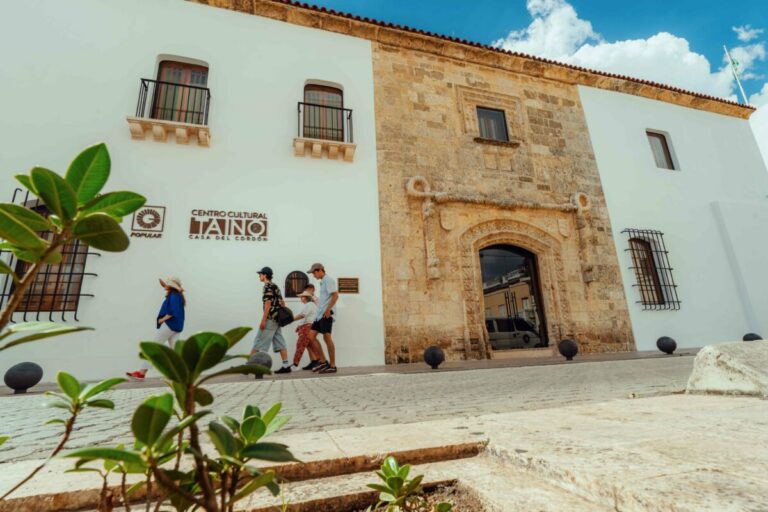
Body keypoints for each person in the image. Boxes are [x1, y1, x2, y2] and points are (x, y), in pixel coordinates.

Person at [127, 277, 186, 380]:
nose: (165, 285)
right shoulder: (177, 296)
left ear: (171, 286)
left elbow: (173, 311)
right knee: (175, 352)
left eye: (167, 284)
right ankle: (179, 375)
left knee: (153, 347)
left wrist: (162, 319)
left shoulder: (174, 296)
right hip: (177, 326)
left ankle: (141, 372)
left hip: (169, 325)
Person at [250, 266, 292, 374]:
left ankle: (248, 366)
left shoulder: (267, 287)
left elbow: (267, 305)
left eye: (260, 274)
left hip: (270, 319)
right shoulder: (275, 286)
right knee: (280, 342)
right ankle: (286, 365)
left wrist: (263, 320)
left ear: (265, 275)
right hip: (277, 319)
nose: (259, 276)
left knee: (259, 341)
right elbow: (282, 303)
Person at [306, 262, 339, 374]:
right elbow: (325, 298)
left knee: (327, 338)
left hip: (326, 314)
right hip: (320, 315)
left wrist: (328, 309)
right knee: (310, 337)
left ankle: (333, 366)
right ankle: (324, 362)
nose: (313, 275)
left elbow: (335, 295)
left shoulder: (328, 280)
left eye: (314, 273)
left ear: (319, 270)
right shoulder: (323, 282)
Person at [291, 290, 319, 369]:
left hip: (308, 327)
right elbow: (306, 317)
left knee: (301, 344)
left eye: (302, 297)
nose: (301, 298)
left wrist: (291, 319)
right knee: (309, 345)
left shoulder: (309, 305)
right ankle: (317, 361)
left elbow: (303, 315)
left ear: (305, 298)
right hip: (309, 326)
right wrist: (299, 325)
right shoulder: (311, 305)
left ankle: (295, 364)